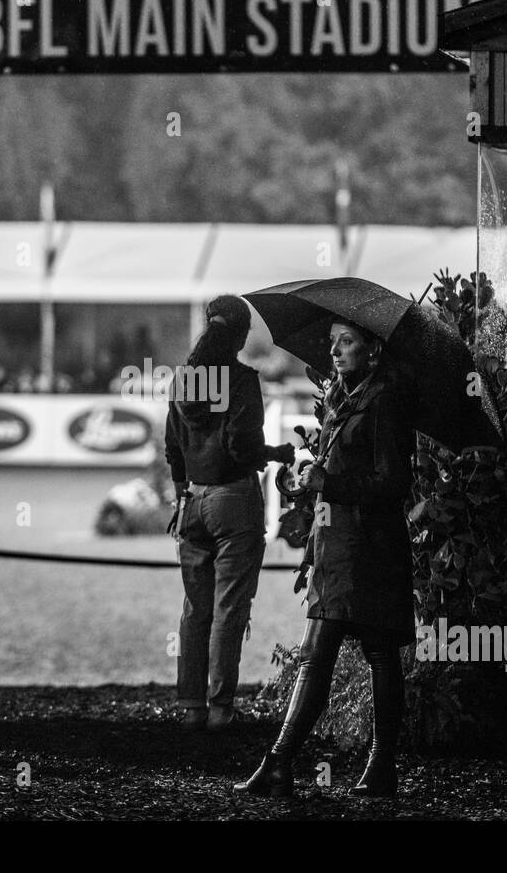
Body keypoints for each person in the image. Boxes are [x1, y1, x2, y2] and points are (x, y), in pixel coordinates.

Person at [235, 317, 416, 799]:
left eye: (347, 342)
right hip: (337, 545)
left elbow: (395, 483)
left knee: (364, 655)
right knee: (325, 655)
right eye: (333, 342)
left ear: (372, 350)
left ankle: (357, 765)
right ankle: (297, 764)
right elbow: (340, 467)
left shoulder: (386, 400)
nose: (335, 351)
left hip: (371, 550)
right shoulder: (342, 396)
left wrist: (329, 483)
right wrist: (312, 476)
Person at [165, 295, 294, 733]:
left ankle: (190, 707)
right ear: (240, 334)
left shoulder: (184, 380)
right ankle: (221, 709)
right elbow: (242, 446)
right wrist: (277, 452)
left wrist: (183, 492)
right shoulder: (240, 380)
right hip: (233, 499)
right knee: (228, 609)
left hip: (192, 501)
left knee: (194, 609)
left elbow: (172, 448)